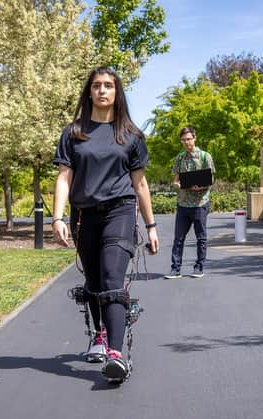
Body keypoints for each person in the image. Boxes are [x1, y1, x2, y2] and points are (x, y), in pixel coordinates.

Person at [52, 66, 159, 383]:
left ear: (117, 92)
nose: (102, 91)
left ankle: (115, 355)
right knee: (95, 283)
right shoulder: (74, 133)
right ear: (89, 92)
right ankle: (98, 333)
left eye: (108, 86)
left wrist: (151, 226)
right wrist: (57, 218)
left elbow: (140, 185)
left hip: (120, 211)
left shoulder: (131, 135)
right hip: (84, 214)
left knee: (113, 278)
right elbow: (63, 178)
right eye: (96, 86)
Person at [165, 126, 215, 279]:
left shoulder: (205, 156)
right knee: (178, 238)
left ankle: (199, 267)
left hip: (200, 203)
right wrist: (177, 185)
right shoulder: (179, 158)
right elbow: (175, 180)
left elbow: (211, 180)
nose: (186, 142)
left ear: (194, 138)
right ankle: (175, 269)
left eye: (189, 139)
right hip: (183, 204)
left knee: (201, 237)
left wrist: (201, 186)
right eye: (183, 140)